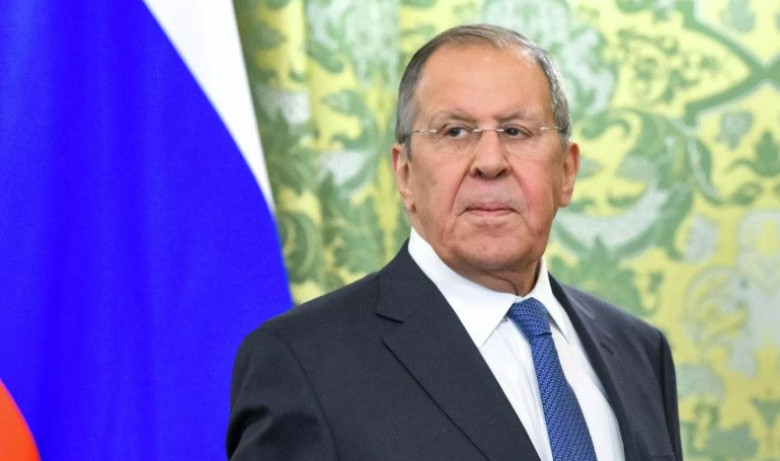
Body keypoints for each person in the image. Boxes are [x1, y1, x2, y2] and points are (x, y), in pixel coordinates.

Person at [227, 24, 683, 461]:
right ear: (405, 174)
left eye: (516, 131)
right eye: (455, 132)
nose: (490, 162)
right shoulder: (303, 363)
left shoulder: (640, 352)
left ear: (567, 171)